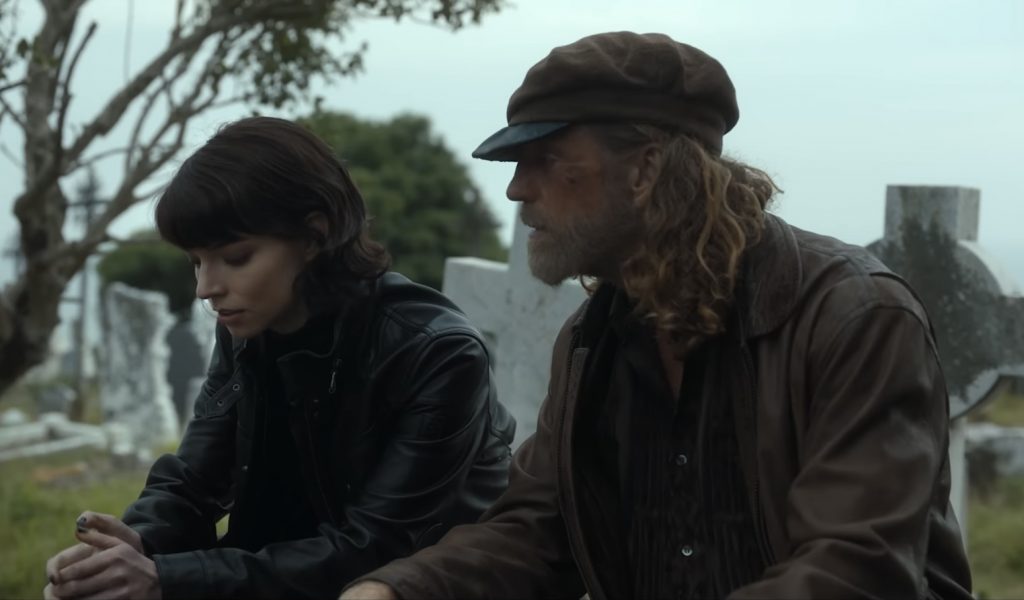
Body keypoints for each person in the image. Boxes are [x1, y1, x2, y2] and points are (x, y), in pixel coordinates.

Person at [341, 31, 974, 600]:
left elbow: (855, 569)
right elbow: (537, 530)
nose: (516, 189)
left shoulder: (853, 317)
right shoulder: (593, 340)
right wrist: (393, 590)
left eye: (546, 158)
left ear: (645, 168)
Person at [43, 116, 515, 600]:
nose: (206, 288)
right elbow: (195, 479)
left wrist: (166, 578)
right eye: (197, 261)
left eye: (235, 257)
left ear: (314, 236)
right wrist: (132, 544)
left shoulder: (436, 352)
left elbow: (376, 547)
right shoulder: (248, 328)